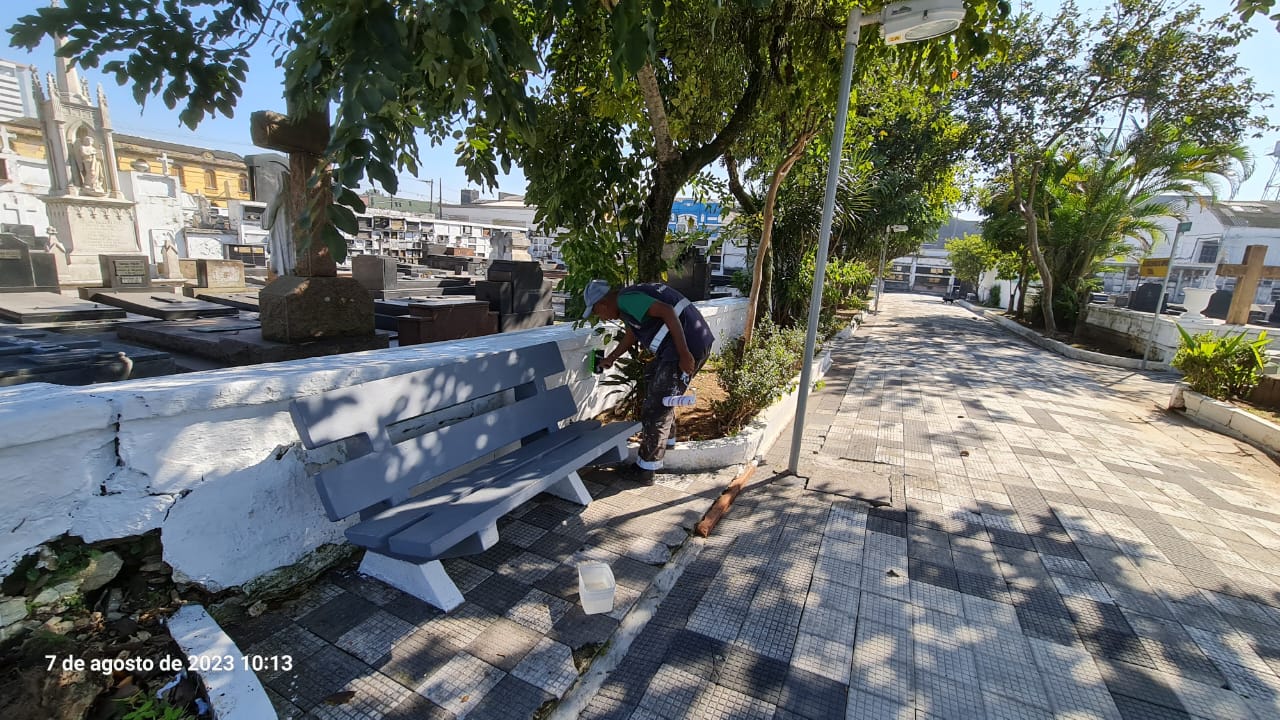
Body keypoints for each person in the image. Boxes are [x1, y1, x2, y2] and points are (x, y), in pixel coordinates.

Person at [583, 279, 716, 484]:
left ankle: (646, 468)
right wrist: (611, 358)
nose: (600, 317)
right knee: (656, 383)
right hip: (685, 345)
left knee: (656, 404)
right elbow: (632, 333)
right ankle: (666, 442)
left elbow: (668, 312)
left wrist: (684, 354)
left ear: (602, 304)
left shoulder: (627, 300)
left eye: (597, 313)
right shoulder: (627, 303)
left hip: (686, 347)